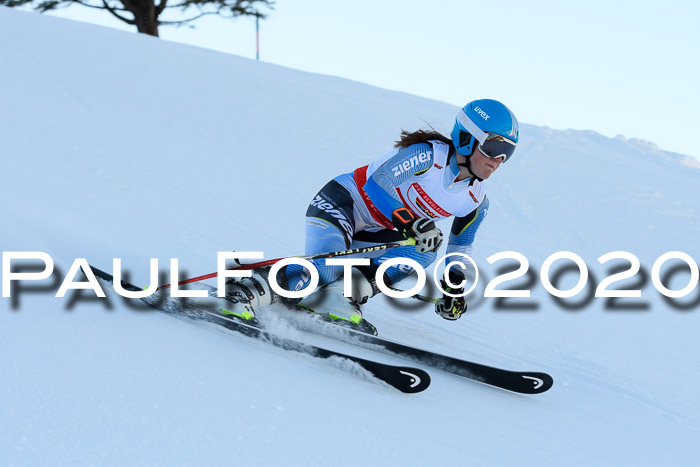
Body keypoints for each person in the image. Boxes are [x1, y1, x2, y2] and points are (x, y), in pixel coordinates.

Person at [223, 99, 519, 334]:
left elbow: (460, 248)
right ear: (468, 138)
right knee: (322, 270)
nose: (499, 160)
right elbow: (378, 182)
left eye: (508, 153)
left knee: (423, 253)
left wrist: (454, 289)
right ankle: (242, 291)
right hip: (342, 205)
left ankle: (339, 295)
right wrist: (411, 222)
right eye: (494, 147)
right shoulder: (429, 155)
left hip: (377, 232)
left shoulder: (476, 200)